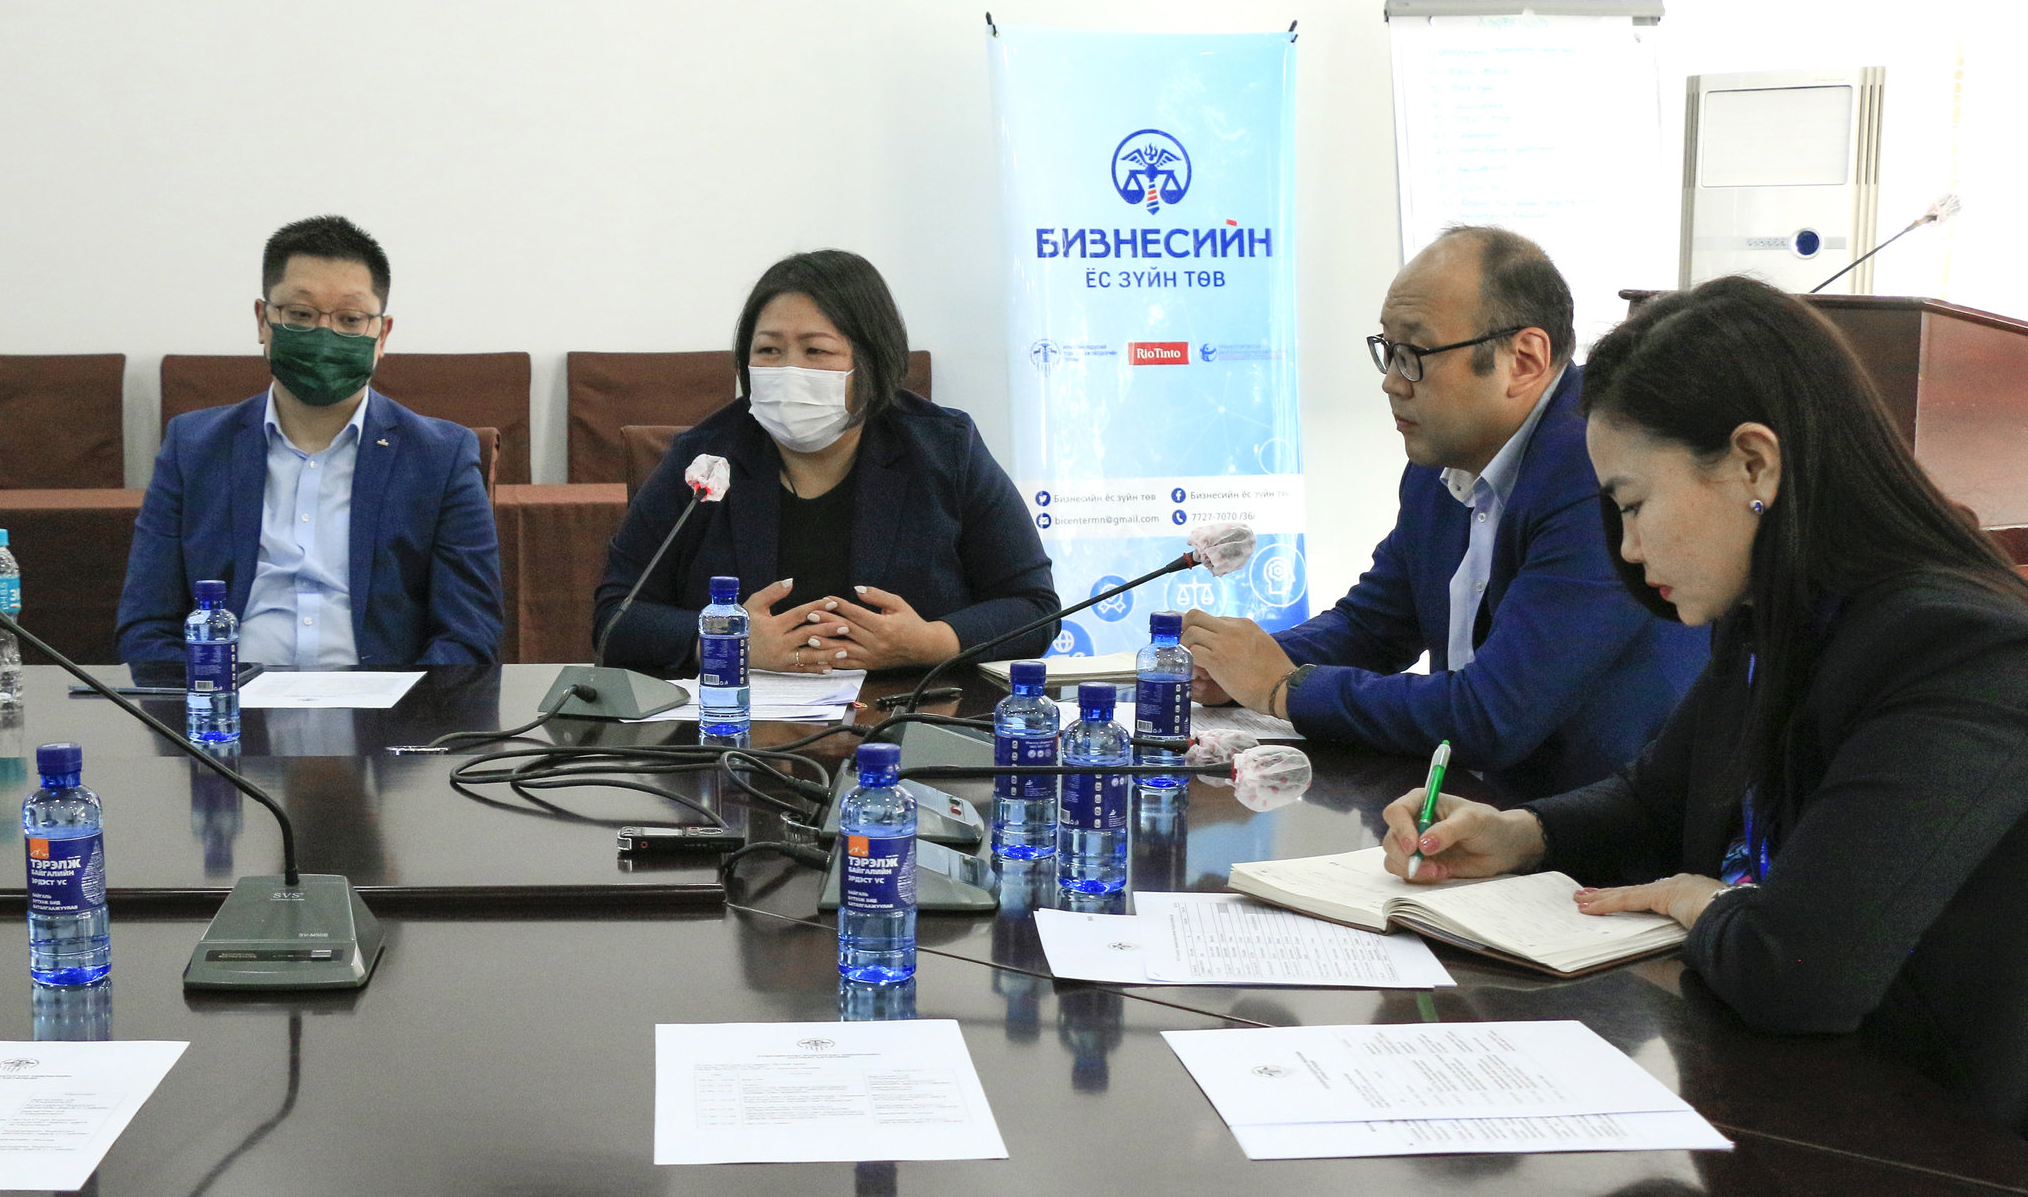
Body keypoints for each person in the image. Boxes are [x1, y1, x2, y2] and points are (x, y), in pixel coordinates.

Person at [1380, 276, 2028, 1135]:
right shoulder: (1771, 615)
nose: (1627, 547)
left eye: (1634, 505)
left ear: (1754, 464)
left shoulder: (1959, 650)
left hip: (1936, 1138)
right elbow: (1657, 796)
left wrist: (1702, 902)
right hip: (1775, 1098)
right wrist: (1521, 833)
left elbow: (1797, 972)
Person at [1183, 226, 1706, 796]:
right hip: (1469, 811)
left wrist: (1283, 688)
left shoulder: (1596, 473)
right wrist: (1238, 665)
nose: (1391, 382)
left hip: (1592, 830)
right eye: (1387, 351)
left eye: (1413, 355)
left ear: (1524, 360)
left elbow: (1492, 716)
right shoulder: (1441, 465)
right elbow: (1374, 626)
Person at [595, 249, 1058, 672]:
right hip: (738, 719)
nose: (788, 371)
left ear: (871, 361)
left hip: (908, 717)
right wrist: (722, 642)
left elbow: (1033, 605)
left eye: (815, 350)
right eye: (768, 350)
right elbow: (616, 616)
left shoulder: (944, 449)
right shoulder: (707, 458)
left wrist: (934, 641)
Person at [116, 215, 503, 666]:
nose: (324, 335)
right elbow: (147, 626)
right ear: (263, 321)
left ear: (382, 335)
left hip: (382, 703)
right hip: (229, 699)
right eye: (300, 315)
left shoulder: (441, 456)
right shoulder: (193, 447)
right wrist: (208, 696)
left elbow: (469, 634)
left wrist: (407, 708)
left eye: (350, 319)